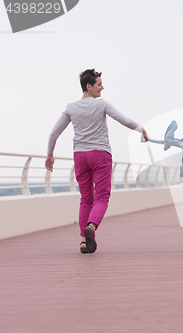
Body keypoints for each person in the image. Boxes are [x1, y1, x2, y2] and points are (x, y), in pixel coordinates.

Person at [45, 69, 148, 253]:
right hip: (100, 155)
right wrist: (141, 129)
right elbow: (123, 120)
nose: (102, 88)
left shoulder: (71, 108)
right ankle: (91, 227)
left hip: (80, 157)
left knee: (86, 199)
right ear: (88, 86)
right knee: (101, 197)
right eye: (99, 84)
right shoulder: (102, 105)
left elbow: (54, 133)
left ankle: (85, 242)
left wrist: (50, 154)